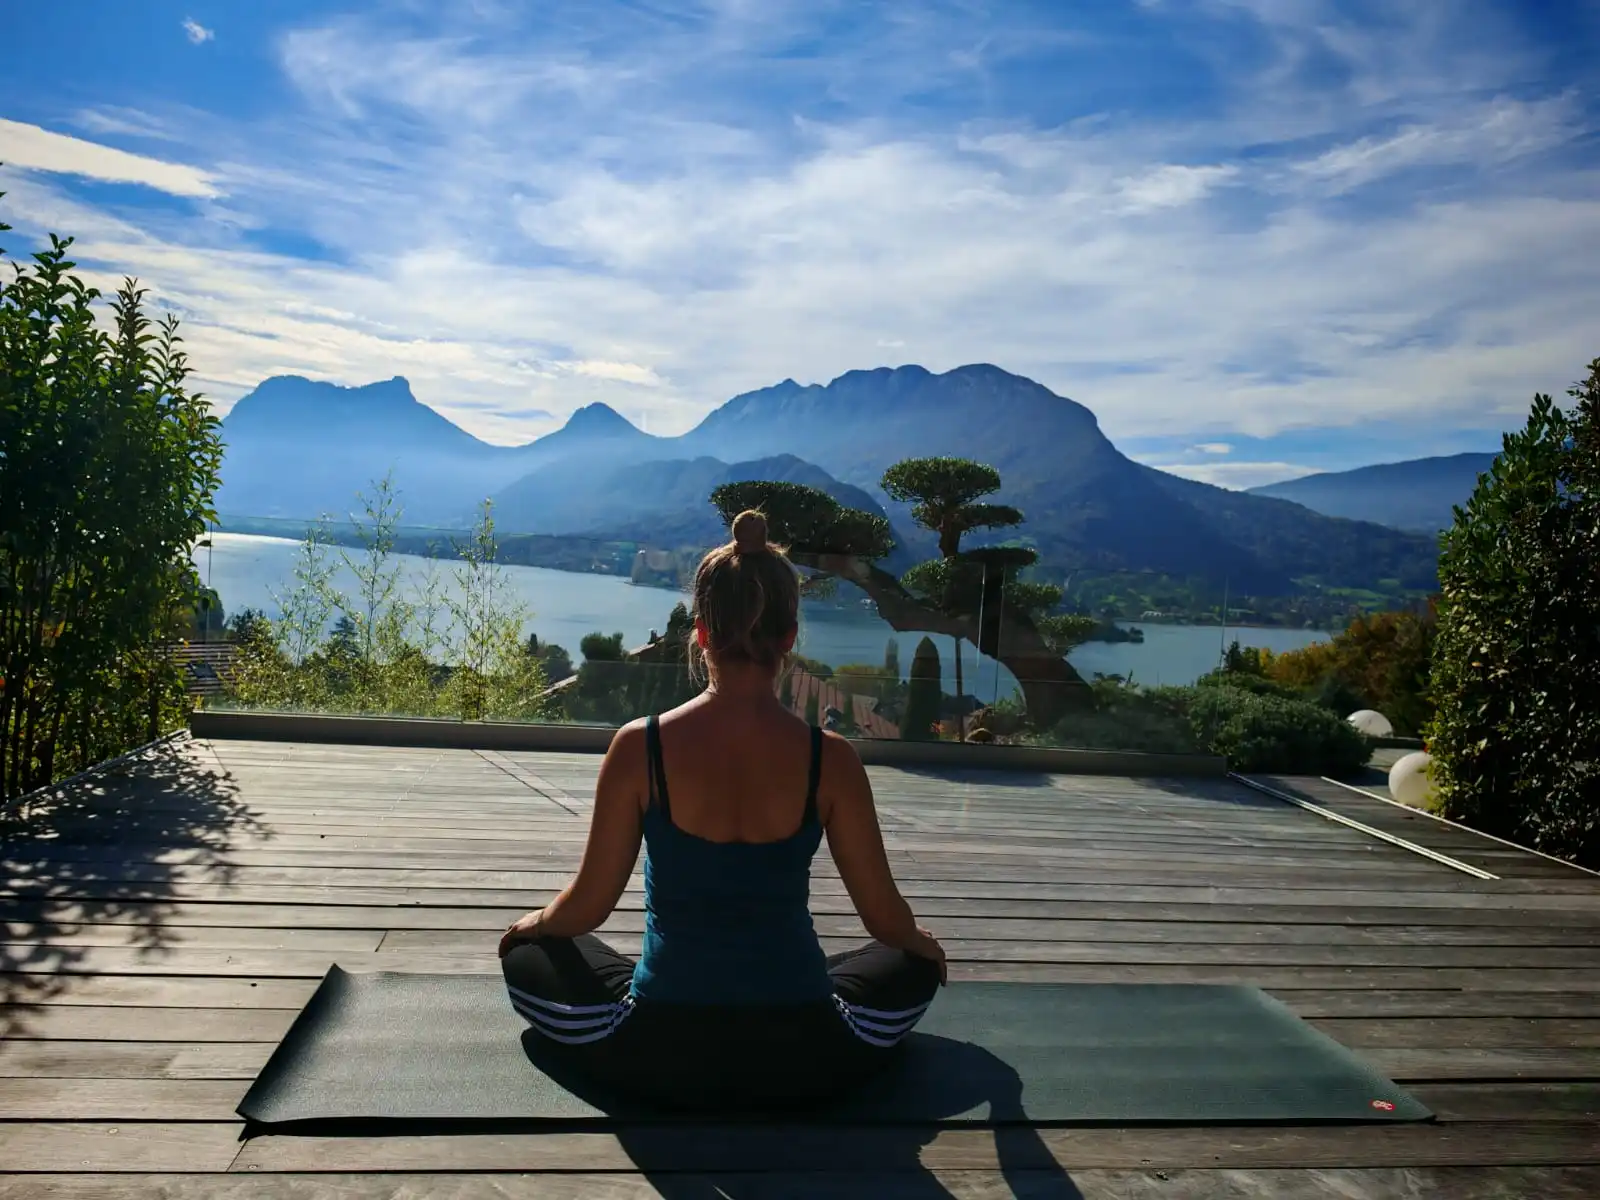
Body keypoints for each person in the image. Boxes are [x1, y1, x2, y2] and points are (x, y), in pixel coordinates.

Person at [497, 509, 946, 1111]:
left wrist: (536, 925)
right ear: (789, 637)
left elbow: (587, 907)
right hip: (808, 1053)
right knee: (910, 962)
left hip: (661, 1053)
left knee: (531, 954)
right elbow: (886, 923)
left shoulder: (640, 746)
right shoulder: (830, 760)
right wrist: (924, 944)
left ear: (701, 632)